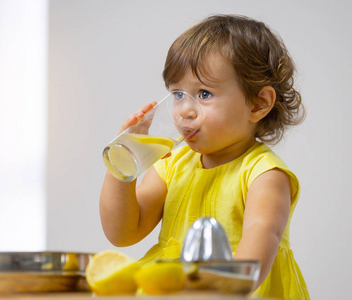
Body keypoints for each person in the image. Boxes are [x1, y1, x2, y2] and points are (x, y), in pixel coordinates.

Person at [100, 14, 310, 299]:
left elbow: (255, 256)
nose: (184, 110)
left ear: (258, 104)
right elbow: (122, 232)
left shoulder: (264, 174)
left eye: (204, 94)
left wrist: (213, 291)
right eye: (177, 93)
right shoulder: (172, 164)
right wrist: (124, 165)